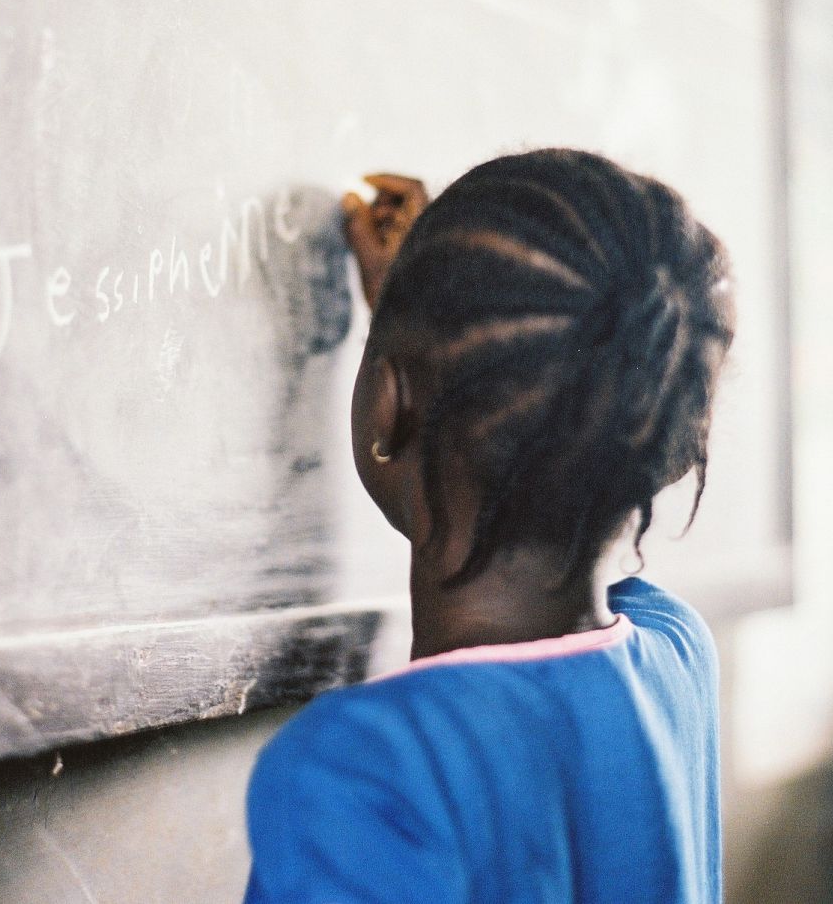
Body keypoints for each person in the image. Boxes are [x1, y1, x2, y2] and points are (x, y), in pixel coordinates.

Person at [242, 149, 737, 903]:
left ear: (389, 405)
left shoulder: (358, 774)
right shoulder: (675, 655)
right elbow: (578, 444)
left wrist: (439, 355)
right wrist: (426, 362)